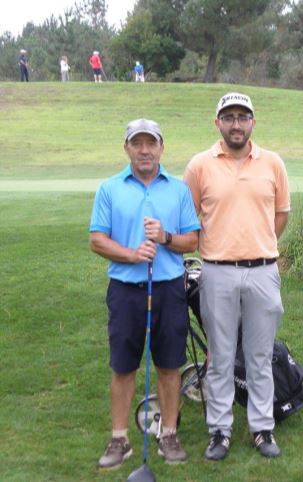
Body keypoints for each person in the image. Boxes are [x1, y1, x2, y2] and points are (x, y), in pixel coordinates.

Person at [183, 92, 291, 460]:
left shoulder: (272, 163)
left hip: (262, 270)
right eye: (228, 117)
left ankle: (262, 428)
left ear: (252, 123)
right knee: (221, 356)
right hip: (217, 272)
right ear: (218, 123)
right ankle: (220, 430)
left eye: (242, 117)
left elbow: (280, 216)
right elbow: (189, 217)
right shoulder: (200, 165)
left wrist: (258, 245)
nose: (235, 124)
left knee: (260, 356)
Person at [90, 118, 200, 469]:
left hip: (168, 288)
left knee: (169, 364)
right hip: (125, 290)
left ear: (161, 147)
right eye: (136, 143)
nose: (144, 150)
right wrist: (132, 254)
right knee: (123, 366)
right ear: (127, 148)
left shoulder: (178, 190)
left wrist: (165, 237)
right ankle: (119, 438)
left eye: (150, 143)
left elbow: (193, 240)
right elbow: (97, 240)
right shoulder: (110, 188)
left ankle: (169, 433)